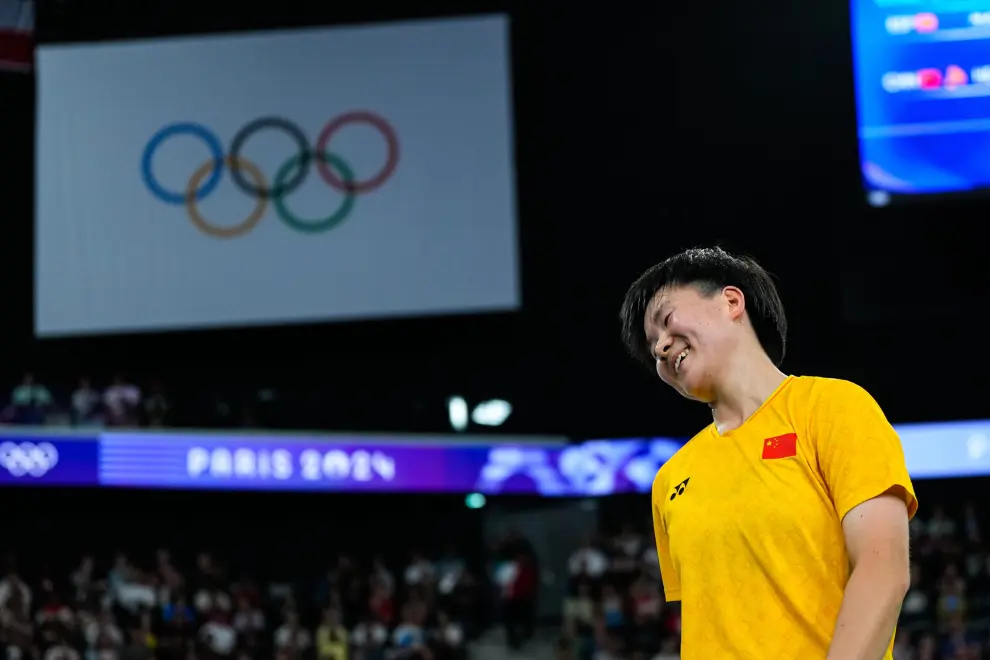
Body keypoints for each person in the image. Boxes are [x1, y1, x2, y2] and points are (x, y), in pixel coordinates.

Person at [619, 246, 917, 659]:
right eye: (654, 348)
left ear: (731, 302)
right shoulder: (671, 479)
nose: (662, 349)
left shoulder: (832, 407)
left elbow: (883, 570)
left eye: (666, 322)